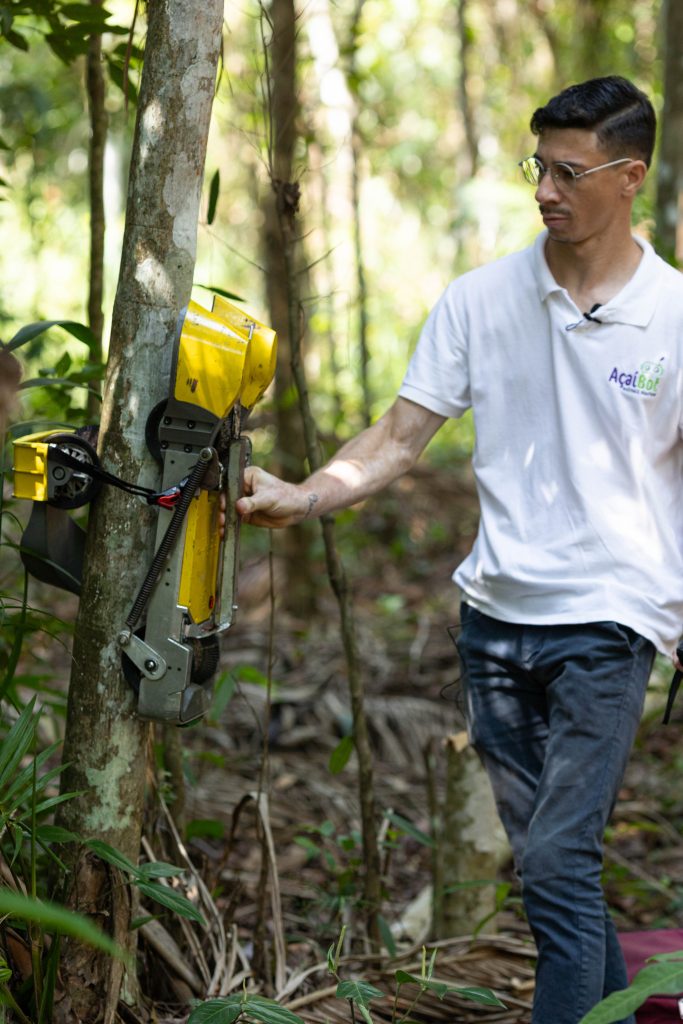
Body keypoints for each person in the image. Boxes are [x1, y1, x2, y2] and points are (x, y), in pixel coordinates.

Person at [235, 76, 681, 1024]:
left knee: (559, 860)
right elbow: (397, 439)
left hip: (610, 621)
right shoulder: (479, 301)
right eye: (539, 168)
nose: (545, 191)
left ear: (629, 175)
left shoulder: (674, 318)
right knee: (550, 869)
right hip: (495, 627)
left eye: (569, 172)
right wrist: (306, 493)